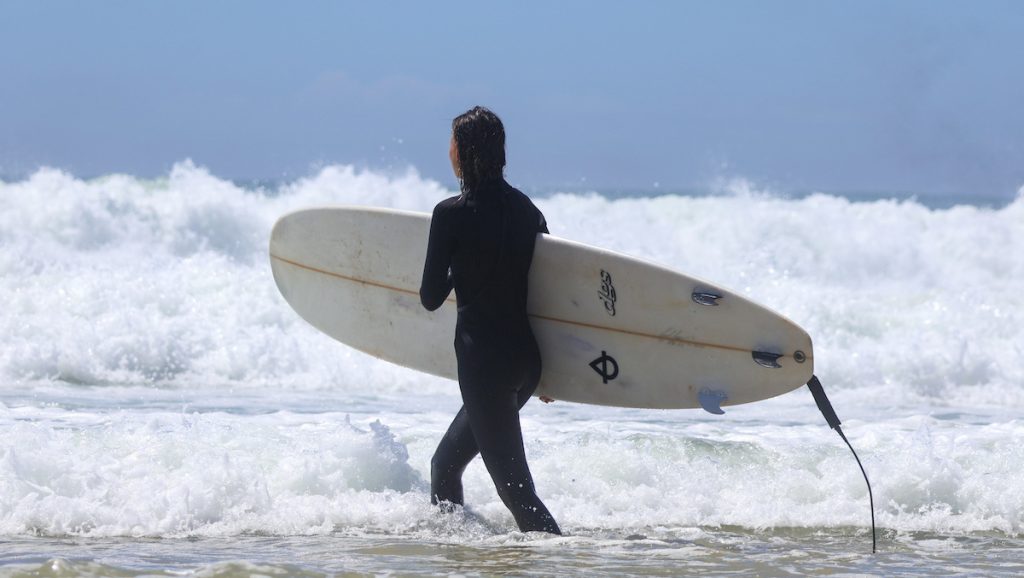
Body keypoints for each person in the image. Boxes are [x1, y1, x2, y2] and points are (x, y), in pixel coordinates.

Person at [419, 106, 561, 534]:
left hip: (485, 367)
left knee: (517, 493)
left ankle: (562, 561)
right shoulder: (527, 209)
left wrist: (458, 266)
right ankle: (457, 553)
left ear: (462, 150)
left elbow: (429, 297)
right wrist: (555, 373)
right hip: (526, 362)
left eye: (451, 143)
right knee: (444, 465)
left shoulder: (450, 214)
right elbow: (548, 291)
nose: (448, 151)